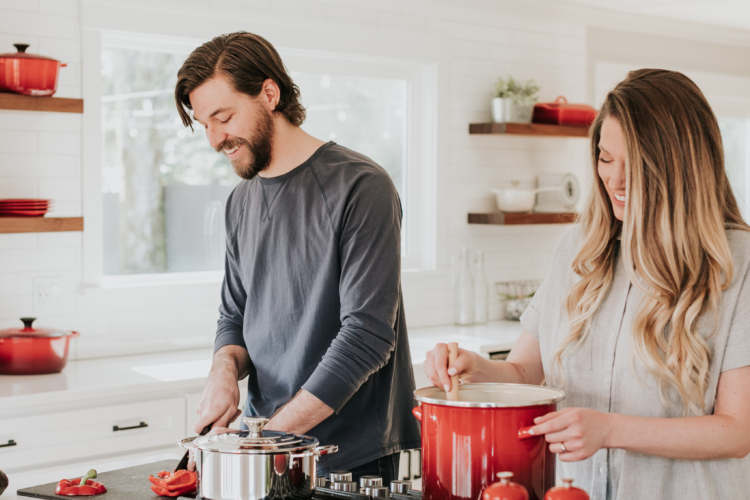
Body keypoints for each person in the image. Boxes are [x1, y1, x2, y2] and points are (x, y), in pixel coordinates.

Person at [424, 69, 750, 499]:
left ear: (680, 166)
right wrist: (474, 368)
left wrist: (611, 429)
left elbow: (737, 430)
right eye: (605, 157)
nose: (613, 180)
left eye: (635, 164)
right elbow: (524, 371)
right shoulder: (580, 247)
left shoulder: (737, 262)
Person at [174, 31, 420, 480]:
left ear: (269, 93)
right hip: (263, 445)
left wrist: (265, 441)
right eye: (203, 123)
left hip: (350, 459)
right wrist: (223, 372)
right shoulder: (240, 201)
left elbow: (367, 337)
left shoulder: (361, 187)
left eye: (223, 117)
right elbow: (234, 317)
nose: (214, 139)